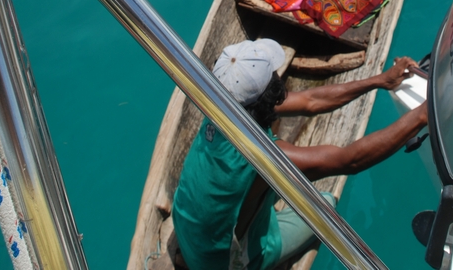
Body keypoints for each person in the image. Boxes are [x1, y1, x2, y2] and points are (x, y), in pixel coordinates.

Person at [172, 38, 428, 270]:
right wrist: (422, 115)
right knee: (326, 202)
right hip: (218, 263)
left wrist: (379, 81)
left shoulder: (218, 108)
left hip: (186, 233)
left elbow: (310, 101)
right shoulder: (264, 157)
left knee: (250, 191)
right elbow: (349, 160)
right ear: (270, 93)